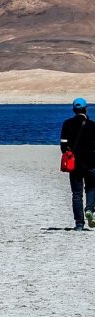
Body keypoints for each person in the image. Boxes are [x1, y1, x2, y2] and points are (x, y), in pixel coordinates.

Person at [60, 98, 95, 230]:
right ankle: (90, 209)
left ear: (74, 110)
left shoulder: (67, 124)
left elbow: (63, 145)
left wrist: (68, 154)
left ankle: (79, 224)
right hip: (91, 162)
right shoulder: (93, 125)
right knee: (91, 188)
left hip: (74, 164)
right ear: (86, 109)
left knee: (76, 193)